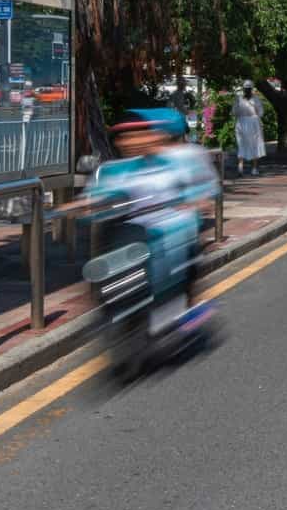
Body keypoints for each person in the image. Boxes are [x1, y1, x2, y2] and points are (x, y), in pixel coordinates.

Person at [85, 114, 208, 338]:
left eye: (139, 136)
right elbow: (96, 197)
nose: (133, 142)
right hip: (128, 235)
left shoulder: (173, 162)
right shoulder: (111, 169)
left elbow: (196, 190)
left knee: (186, 259)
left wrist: (193, 203)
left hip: (168, 235)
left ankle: (184, 304)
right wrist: (77, 207)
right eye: (127, 137)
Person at [233, 84, 267, 178]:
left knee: (250, 144)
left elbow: (234, 112)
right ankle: (249, 168)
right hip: (247, 122)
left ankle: (247, 168)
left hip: (246, 122)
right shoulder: (242, 99)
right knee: (247, 144)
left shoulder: (252, 99)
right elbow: (260, 112)